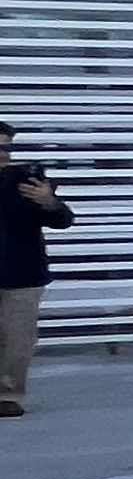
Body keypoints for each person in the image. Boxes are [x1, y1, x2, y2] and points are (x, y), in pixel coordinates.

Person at [0, 121, 71, 417]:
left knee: (17, 339)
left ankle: (7, 396)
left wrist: (49, 202)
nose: (3, 154)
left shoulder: (24, 184)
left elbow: (63, 220)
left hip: (21, 272)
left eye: (6, 147)